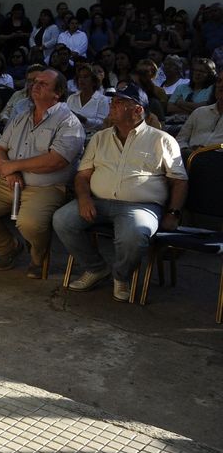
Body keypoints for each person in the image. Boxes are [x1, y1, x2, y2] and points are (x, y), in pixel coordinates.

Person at [53, 82, 187, 302]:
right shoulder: (100, 137)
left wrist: (173, 213)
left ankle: (121, 276)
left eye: (120, 102)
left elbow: (179, 181)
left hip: (142, 205)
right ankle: (96, 268)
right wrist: (84, 198)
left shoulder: (162, 140)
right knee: (62, 219)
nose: (112, 106)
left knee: (133, 235)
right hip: (99, 202)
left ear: (138, 110)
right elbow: (82, 175)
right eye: (112, 101)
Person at [0, 69, 85, 278]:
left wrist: (15, 166)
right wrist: (6, 169)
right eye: (34, 82)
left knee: (29, 223)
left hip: (45, 187)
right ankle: (9, 247)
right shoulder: (21, 116)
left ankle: (38, 256)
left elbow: (56, 161)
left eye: (43, 84)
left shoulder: (69, 122)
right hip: (7, 181)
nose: (35, 86)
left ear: (57, 93)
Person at [176, 71, 223, 154]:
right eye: (219, 81)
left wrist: (209, 150)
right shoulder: (199, 112)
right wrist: (186, 150)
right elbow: (180, 139)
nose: (221, 85)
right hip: (190, 157)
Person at [67, 63, 110, 135]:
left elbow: (102, 124)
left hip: (92, 139)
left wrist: (85, 120)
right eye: (80, 77)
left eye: (85, 77)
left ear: (94, 81)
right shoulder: (72, 98)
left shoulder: (102, 100)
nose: (81, 80)